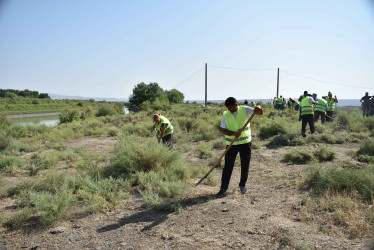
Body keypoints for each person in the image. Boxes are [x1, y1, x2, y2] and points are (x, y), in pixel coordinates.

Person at [216, 97, 262, 197]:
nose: (229, 110)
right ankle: (223, 188)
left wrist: (259, 107)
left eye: (231, 108)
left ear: (236, 105)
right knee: (228, 166)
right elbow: (223, 129)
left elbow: (258, 112)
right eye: (228, 108)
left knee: (245, 165)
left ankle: (242, 186)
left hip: (245, 143)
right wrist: (233, 133)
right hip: (232, 145)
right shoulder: (226, 114)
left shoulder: (245, 109)